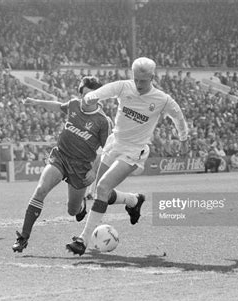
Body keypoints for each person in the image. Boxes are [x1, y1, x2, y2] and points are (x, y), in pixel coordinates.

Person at [66, 57, 189, 256]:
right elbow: (105, 91)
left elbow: (178, 116)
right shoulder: (125, 87)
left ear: (152, 77)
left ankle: (83, 239)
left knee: (104, 187)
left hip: (135, 150)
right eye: (136, 80)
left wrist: (184, 140)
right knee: (100, 191)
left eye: (144, 81)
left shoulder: (162, 99)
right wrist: (92, 97)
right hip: (115, 143)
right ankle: (133, 201)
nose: (139, 85)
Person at [12, 76, 111, 253]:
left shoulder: (103, 121)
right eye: (85, 95)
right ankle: (23, 238)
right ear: (80, 95)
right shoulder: (74, 105)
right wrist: (35, 102)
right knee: (41, 189)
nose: (88, 99)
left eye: (93, 95)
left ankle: (80, 206)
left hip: (81, 167)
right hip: (60, 157)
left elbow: (106, 150)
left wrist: (94, 170)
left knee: (72, 211)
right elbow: (57, 106)